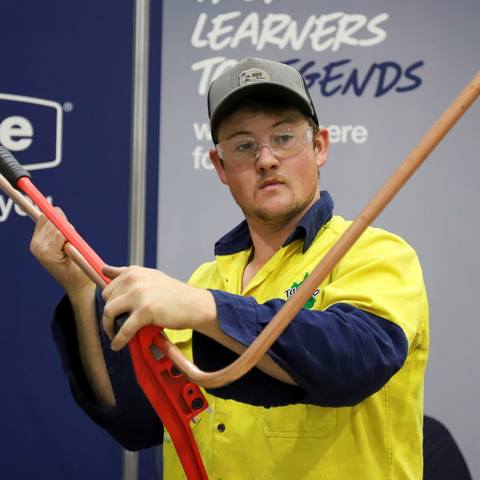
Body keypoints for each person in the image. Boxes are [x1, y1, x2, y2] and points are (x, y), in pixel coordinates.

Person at [31, 57, 429, 479]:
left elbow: (354, 362)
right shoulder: (204, 282)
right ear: (220, 167)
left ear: (319, 146)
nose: (266, 159)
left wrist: (205, 310)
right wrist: (79, 291)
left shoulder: (376, 254)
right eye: (243, 146)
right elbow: (139, 423)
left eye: (285, 137)